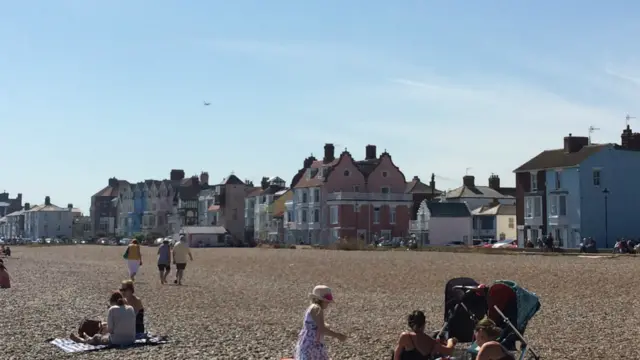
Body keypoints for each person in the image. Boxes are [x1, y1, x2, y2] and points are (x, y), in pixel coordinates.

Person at [294, 285, 347, 360]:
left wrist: (325, 325)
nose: (328, 304)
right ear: (320, 300)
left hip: (307, 342)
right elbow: (322, 329)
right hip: (313, 345)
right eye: (327, 302)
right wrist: (338, 335)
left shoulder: (312, 307)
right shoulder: (317, 309)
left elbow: (314, 324)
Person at [70, 291, 136, 346]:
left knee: (96, 337)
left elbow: (110, 330)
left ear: (113, 303)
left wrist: (105, 330)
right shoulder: (131, 308)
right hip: (131, 339)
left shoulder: (112, 309)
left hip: (117, 341)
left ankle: (83, 341)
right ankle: (88, 338)